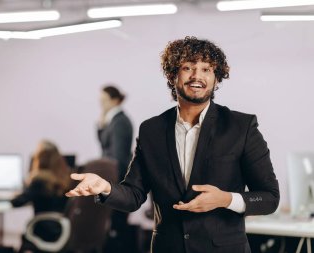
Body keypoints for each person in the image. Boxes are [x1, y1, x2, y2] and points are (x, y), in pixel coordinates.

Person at [66, 36, 280, 253]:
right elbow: (134, 195)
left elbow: (269, 198)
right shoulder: (151, 130)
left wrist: (225, 199)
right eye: (188, 67)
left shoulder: (241, 127)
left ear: (216, 78)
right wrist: (105, 187)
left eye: (206, 69)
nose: (197, 76)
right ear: (172, 75)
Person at [11, 140, 72, 253]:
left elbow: (18, 202)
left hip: (43, 230)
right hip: (61, 229)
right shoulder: (65, 178)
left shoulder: (39, 180)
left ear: (39, 159)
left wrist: (13, 196)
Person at [97, 85, 134, 253]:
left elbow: (117, 158)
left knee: (118, 225)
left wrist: (111, 188)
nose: (101, 104)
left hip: (117, 180)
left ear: (114, 100)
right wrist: (101, 123)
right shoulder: (112, 120)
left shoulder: (120, 122)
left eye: (104, 101)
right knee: (112, 223)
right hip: (113, 179)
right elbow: (104, 145)